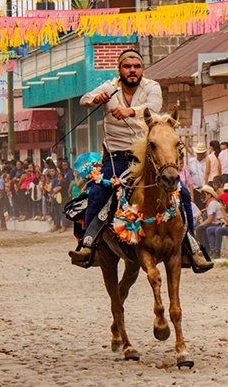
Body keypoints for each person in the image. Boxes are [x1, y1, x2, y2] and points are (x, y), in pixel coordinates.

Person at [69, 48, 211, 271]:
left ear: (141, 70)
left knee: (182, 192)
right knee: (97, 192)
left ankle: (191, 247)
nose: (132, 71)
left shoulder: (151, 87)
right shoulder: (109, 87)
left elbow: (153, 108)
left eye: (136, 67)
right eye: (127, 66)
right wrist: (97, 99)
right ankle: (88, 245)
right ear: (120, 70)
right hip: (116, 160)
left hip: (145, 159)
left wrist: (130, 112)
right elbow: (84, 100)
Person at [196, 185, 222, 252]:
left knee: (201, 228)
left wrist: (200, 225)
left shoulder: (213, 203)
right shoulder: (211, 204)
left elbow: (210, 220)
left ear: (209, 195)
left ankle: (206, 249)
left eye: (203, 194)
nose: (201, 197)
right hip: (215, 224)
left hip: (218, 224)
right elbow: (207, 209)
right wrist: (201, 211)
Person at [187, 142, 207, 208]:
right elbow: (189, 175)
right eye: (199, 154)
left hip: (205, 188)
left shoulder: (207, 160)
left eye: (202, 153)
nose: (200, 155)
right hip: (196, 189)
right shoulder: (191, 161)